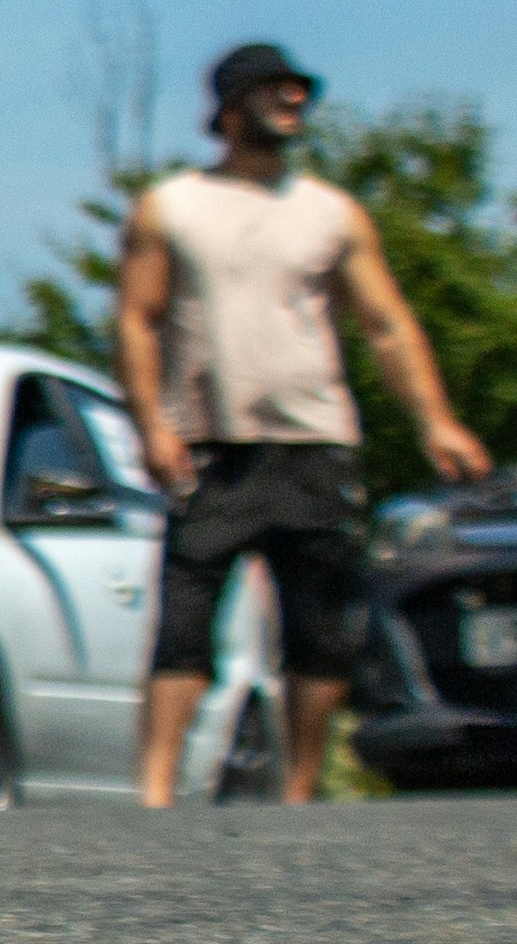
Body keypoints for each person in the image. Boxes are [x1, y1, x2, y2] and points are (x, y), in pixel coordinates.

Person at [116, 43, 490, 805]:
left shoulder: (331, 213)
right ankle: (154, 794)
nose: (293, 103)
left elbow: (386, 324)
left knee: (319, 629)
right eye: (274, 92)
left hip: (315, 444)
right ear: (229, 105)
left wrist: (438, 422)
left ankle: (299, 793)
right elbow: (136, 317)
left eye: (299, 93)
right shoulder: (173, 206)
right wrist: (151, 424)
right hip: (211, 446)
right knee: (184, 621)